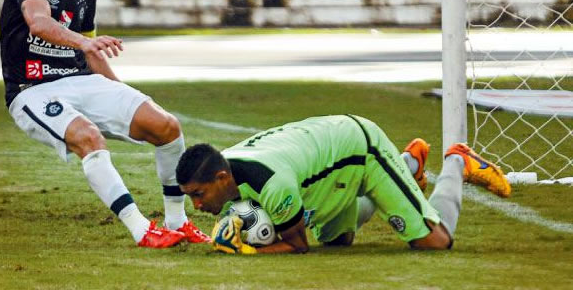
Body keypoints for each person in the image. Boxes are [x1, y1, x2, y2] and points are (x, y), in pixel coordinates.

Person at [0, 0, 209, 248]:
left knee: (167, 127)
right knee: (89, 137)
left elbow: (92, 51)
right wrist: (83, 43)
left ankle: (178, 221)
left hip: (82, 80)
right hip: (32, 89)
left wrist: (124, 96)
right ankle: (142, 229)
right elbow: (38, 22)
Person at [176, 114, 511, 254]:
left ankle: (458, 161)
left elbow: (297, 246)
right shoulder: (227, 167)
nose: (197, 206)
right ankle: (408, 164)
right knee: (339, 241)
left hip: (358, 149)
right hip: (325, 169)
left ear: (222, 179)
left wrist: (245, 249)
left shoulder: (272, 184)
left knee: (435, 242)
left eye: (198, 194)